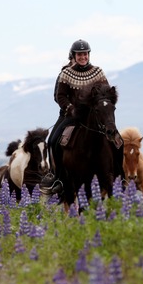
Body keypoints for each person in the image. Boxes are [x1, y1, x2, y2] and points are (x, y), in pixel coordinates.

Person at [40, 39, 109, 195]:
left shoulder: (98, 72)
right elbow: (60, 96)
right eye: (79, 54)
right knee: (52, 140)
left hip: (94, 117)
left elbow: (106, 92)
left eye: (85, 54)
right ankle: (57, 178)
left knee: (117, 140)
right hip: (71, 116)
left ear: (89, 55)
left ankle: (119, 175)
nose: (83, 57)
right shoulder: (66, 73)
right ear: (74, 55)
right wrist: (70, 108)